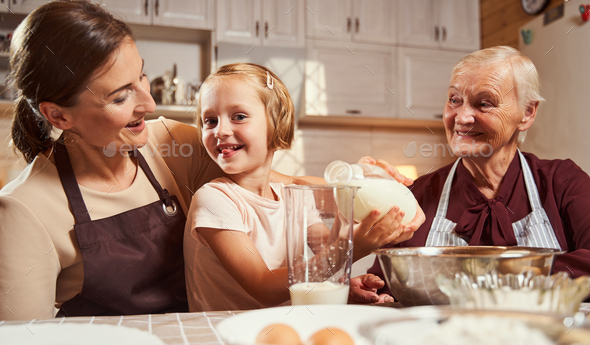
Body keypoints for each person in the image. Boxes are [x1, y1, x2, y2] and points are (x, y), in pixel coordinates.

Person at [0, 1, 418, 321]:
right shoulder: (24, 211)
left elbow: (269, 179)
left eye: (141, 76)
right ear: (57, 114)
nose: (149, 102)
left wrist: (357, 187)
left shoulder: (168, 144)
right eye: (120, 95)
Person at [183, 64, 408, 311]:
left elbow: (325, 254)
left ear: (276, 122)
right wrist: (348, 251)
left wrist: (332, 286)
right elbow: (264, 286)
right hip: (220, 334)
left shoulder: (294, 196)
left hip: (283, 328)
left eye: (238, 116)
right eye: (210, 121)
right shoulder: (214, 199)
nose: (221, 131)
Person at [369, 46, 590, 289]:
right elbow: (382, 282)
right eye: (454, 100)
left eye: (484, 103)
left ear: (527, 113)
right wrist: (366, 288)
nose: (462, 118)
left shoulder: (563, 182)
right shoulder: (418, 195)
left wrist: (491, 275)